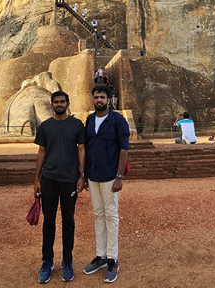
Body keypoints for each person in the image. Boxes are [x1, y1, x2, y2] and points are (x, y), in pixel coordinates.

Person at [34, 91, 86, 283]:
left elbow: (82, 149)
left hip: (69, 179)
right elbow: (41, 152)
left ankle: (67, 261)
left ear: (67, 103)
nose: (59, 104)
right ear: (52, 104)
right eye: (56, 102)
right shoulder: (46, 126)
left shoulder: (76, 125)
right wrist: (36, 178)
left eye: (62, 102)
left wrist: (82, 175)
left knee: (68, 221)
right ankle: (47, 261)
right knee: (48, 222)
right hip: (48, 178)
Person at [83, 85, 130, 283]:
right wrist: (83, 174)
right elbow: (85, 146)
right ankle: (101, 255)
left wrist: (119, 176)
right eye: (96, 97)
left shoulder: (117, 119)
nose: (99, 100)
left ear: (109, 99)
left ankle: (112, 258)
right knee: (98, 214)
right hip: (93, 175)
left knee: (111, 215)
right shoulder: (90, 119)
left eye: (102, 97)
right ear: (93, 99)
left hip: (111, 175)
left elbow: (124, 149)